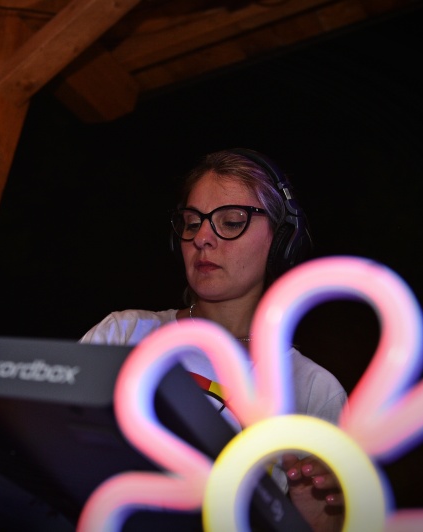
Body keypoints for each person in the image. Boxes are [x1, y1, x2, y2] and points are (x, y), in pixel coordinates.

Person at [81, 149, 347, 531]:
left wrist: (315, 524)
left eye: (232, 222)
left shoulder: (313, 390)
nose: (202, 238)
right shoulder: (123, 334)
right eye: (192, 223)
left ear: (282, 240)